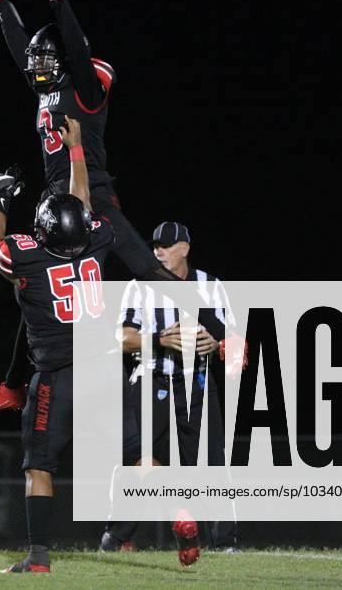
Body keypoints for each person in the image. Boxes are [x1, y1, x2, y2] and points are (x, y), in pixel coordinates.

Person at [0, 0, 177, 416]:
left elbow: (78, 54)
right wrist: (2, 4)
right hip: (56, 205)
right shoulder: (46, 83)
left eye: (47, 60)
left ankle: (220, 331)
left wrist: (59, 0)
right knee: (33, 286)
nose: (36, 67)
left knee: (147, 269)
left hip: (94, 200)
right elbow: (20, 45)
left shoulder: (82, 89)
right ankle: (14, 384)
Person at [0, 117, 115, 574]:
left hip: (58, 374)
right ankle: (183, 517)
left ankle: (38, 557)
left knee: (39, 467)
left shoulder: (26, 256)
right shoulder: (98, 239)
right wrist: (77, 149)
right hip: (106, 368)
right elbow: (82, 205)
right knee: (136, 454)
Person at [101, 222, 239, 559]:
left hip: (198, 385)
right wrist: (160, 340)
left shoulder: (210, 285)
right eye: (155, 245)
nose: (158, 250)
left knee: (212, 466)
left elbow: (235, 344)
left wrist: (216, 344)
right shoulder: (140, 286)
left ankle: (225, 543)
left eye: (166, 244)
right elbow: (122, 338)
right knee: (139, 461)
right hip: (152, 382)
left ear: (185, 249)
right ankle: (117, 536)